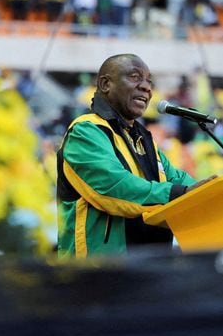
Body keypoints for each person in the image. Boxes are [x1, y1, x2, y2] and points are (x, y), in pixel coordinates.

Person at [57, 54, 197, 257]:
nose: (146, 87)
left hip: (148, 269)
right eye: (134, 77)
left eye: (149, 82)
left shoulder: (143, 139)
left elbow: (179, 180)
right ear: (106, 84)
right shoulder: (86, 131)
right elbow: (113, 188)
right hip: (95, 274)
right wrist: (178, 193)